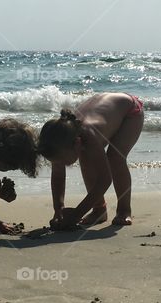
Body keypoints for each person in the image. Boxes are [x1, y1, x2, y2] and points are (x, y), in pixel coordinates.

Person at [38, 92, 144, 229]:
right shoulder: (56, 139)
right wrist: (58, 209)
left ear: (77, 143)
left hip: (130, 111)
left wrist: (77, 213)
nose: (61, 164)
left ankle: (124, 210)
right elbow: (58, 177)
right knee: (86, 159)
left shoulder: (90, 134)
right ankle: (99, 209)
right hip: (107, 111)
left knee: (115, 157)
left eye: (63, 161)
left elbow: (105, 180)